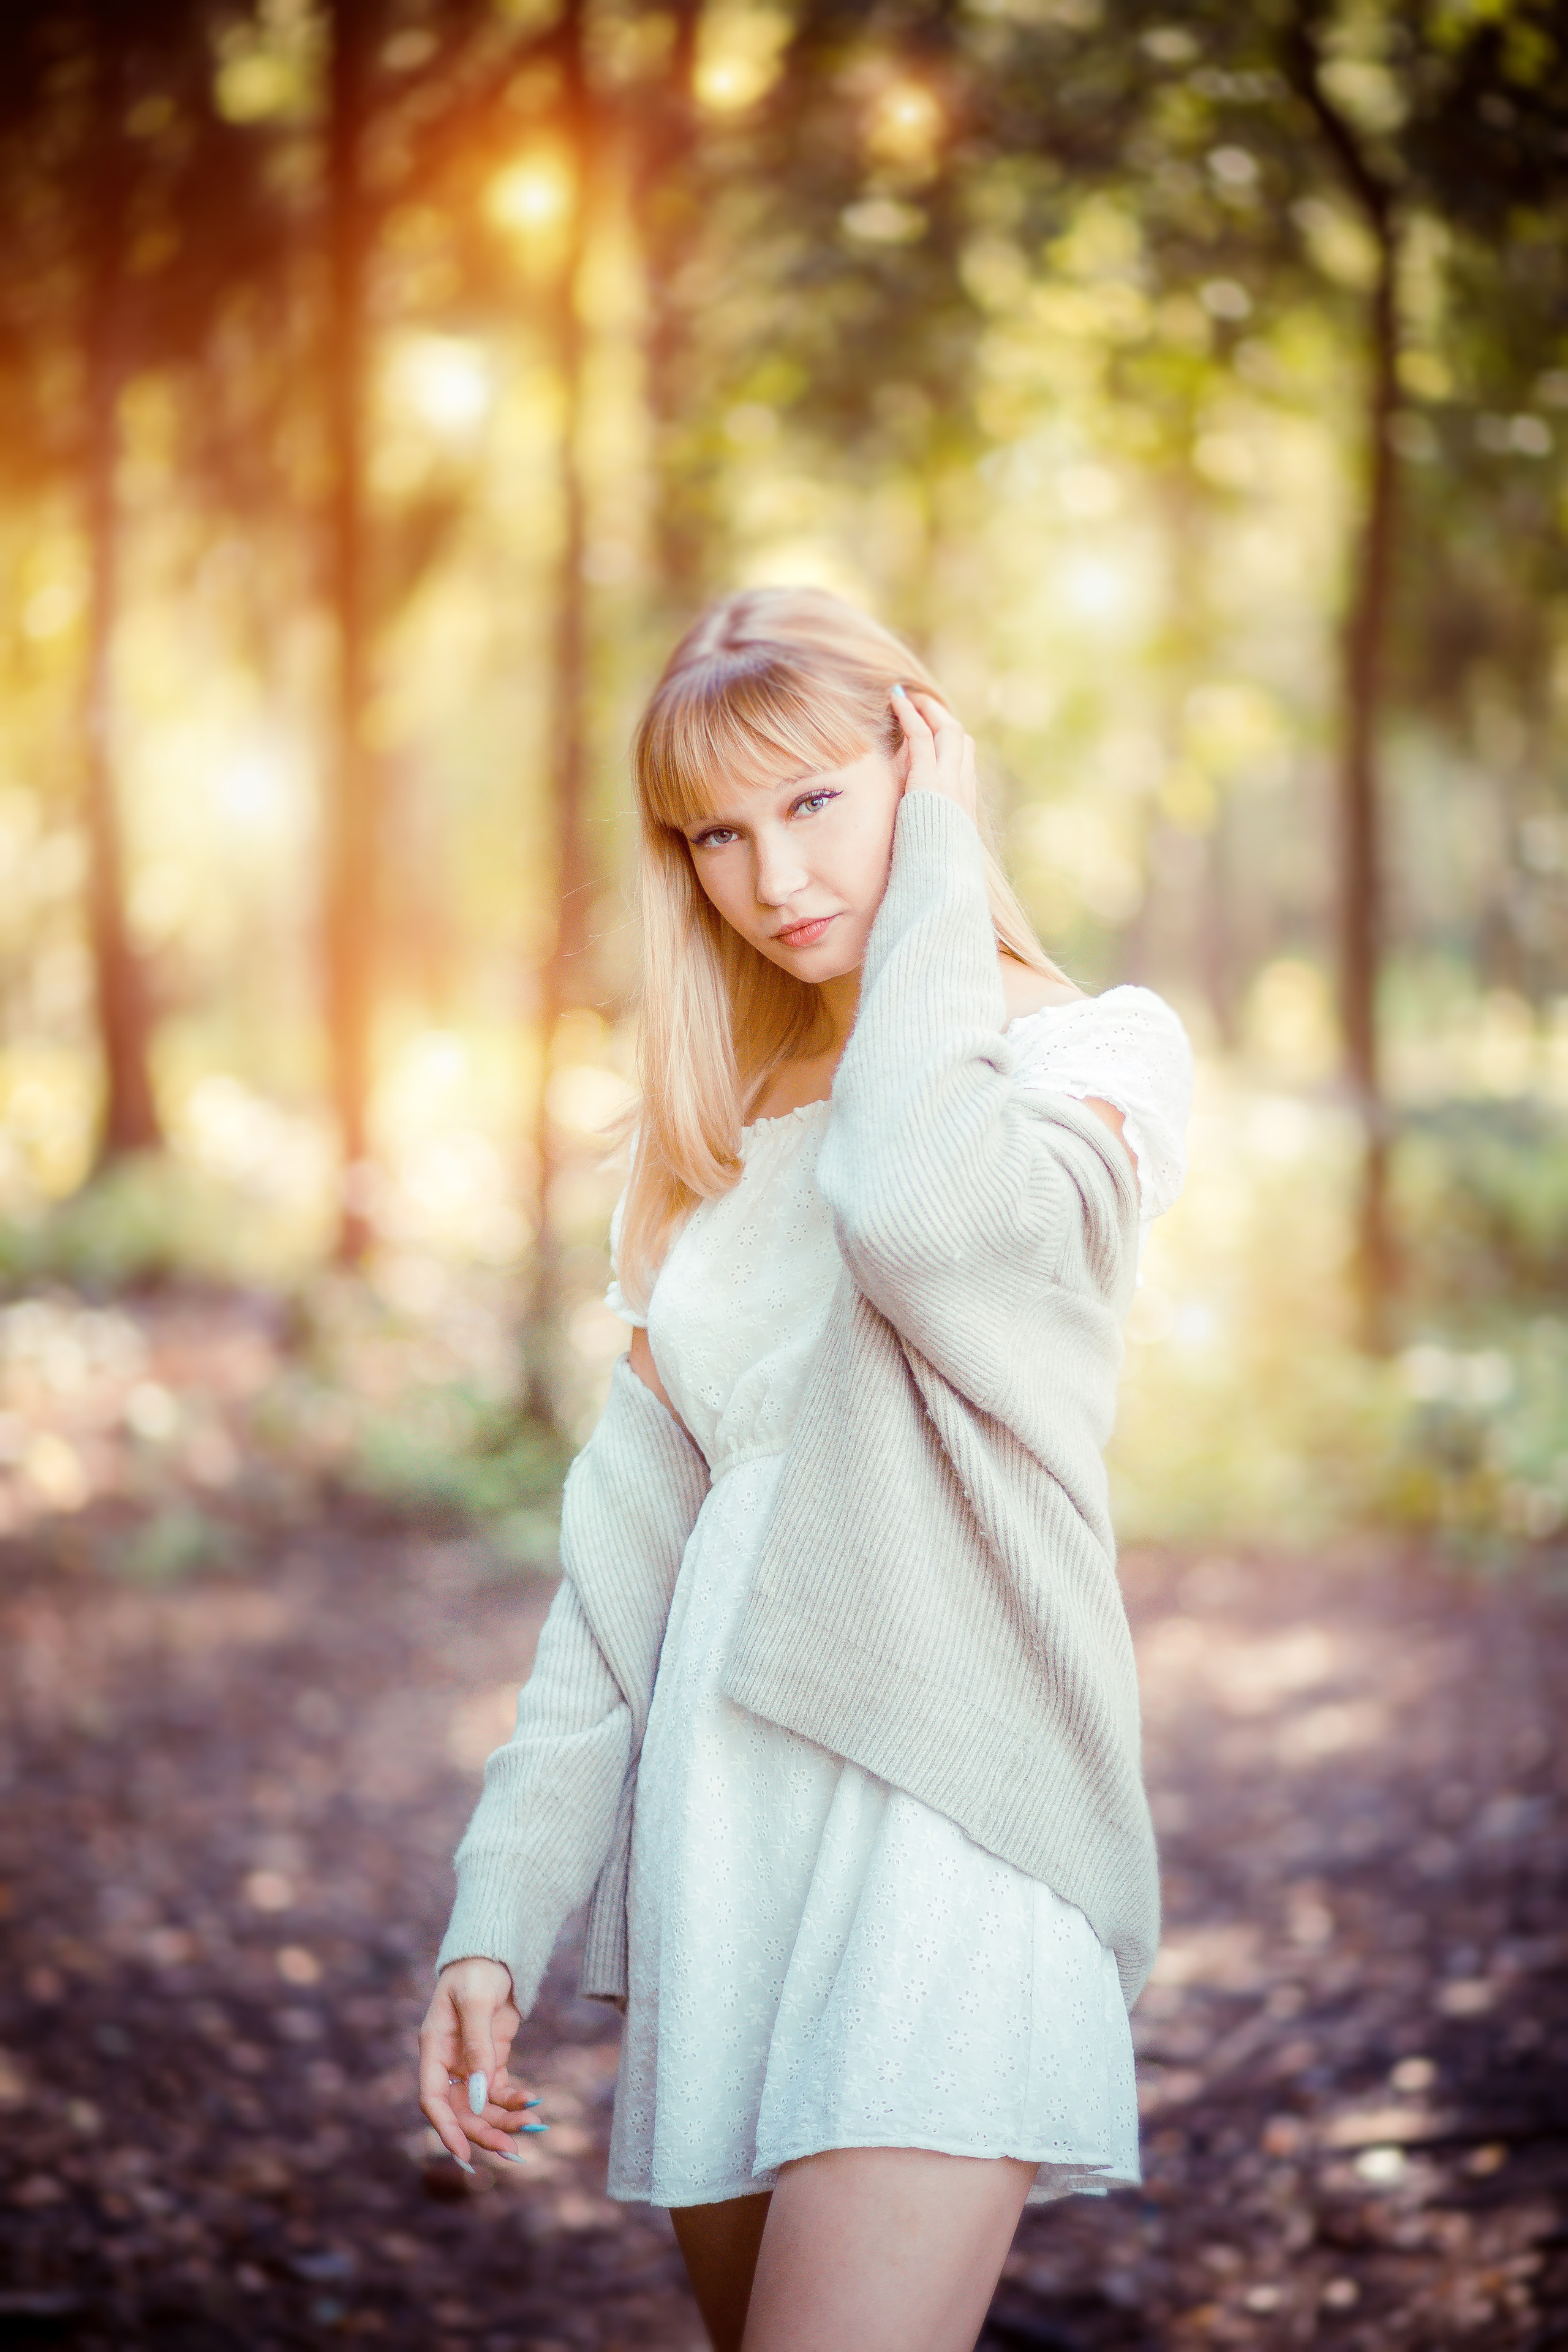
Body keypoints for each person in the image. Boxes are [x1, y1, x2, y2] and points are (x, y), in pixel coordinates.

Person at [418, 588, 1193, 2352]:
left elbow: (914, 1211)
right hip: (724, 1844)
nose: (773, 875)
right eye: (718, 834)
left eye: (820, 800)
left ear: (926, 761)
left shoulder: (1090, 1059)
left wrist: (937, 882)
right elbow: (616, 1579)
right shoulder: (703, 1151)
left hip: (954, 1819)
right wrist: (498, 1916)